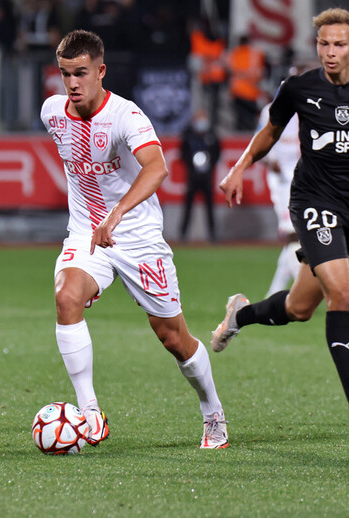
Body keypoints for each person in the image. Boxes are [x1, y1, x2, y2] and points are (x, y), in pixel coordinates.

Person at [212, 8, 349, 434]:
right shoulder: (299, 88)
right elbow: (269, 133)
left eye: (337, 45)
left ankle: (238, 316)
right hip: (312, 201)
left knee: (299, 308)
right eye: (322, 44)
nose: (329, 53)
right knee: (345, 291)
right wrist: (239, 167)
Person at [42, 30, 229, 449]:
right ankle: (90, 415)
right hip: (87, 233)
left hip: (138, 237)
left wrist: (118, 212)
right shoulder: (52, 112)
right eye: (65, 74)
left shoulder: (126, 116)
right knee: (66, 297)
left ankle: (212, 412)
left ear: (101, 71)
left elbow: (157, 168)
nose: (72, 83)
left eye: (81, 73)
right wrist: (98, 219)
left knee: (173, 338)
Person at [257, 85, 302, 297]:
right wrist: (270, 161)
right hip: (282, 182)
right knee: (293, 235)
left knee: (297, 236)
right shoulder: (269, 111)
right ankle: (302, 289)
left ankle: (277, 291)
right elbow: (259, 143)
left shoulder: (307, 110)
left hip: (304, 181)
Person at [179, 109, 221, 242]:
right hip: (192, 177)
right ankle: (183, 235)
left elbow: (217, 152)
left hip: (207, 177)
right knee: (188, 207)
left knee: (209, 208)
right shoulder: (188, 135)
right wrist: (191, 165)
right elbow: (182, 152)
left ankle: (213, 235)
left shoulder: (212, 134)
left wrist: (210, 165)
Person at [228, 35, 266, 131]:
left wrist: (240, 74)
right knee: (250, 121)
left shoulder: (234, 53)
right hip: (251, 91)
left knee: (239, 120)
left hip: (237, 91)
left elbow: (231, 70)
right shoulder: (255, 54)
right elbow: (258, 73)